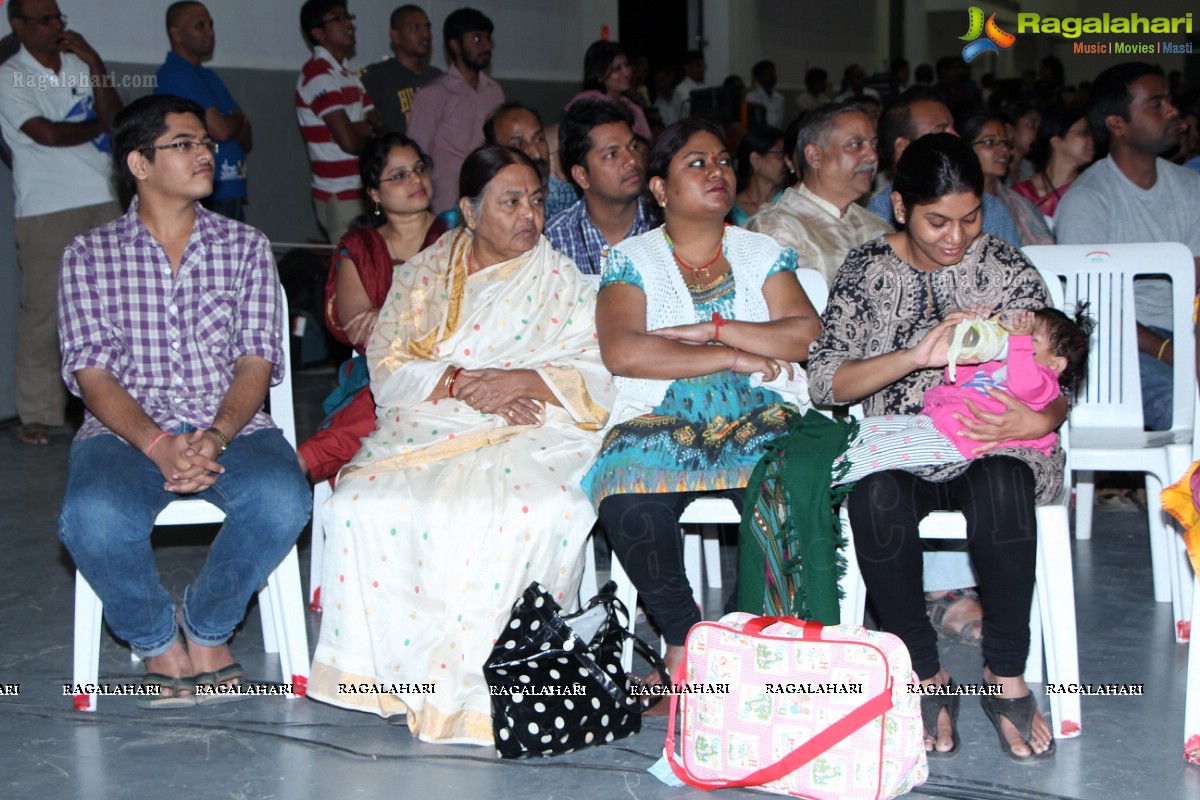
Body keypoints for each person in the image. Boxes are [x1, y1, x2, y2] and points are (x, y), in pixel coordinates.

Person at [306, 145, 614, 745]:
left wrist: (520, 381)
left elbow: (598, 368)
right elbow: (389, 363)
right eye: (510, 202)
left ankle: (501, 688)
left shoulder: (566, 283)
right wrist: (462, 384)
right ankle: (394, 681)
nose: (529, 214)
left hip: (536, 422)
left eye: (535, 201)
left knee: (529, 510)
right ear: (470, 212)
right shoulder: (421, 277)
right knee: (361, 505)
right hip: (432, 417)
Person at [808, 132, 1064, 763]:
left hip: (992, 446)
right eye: (937, 220)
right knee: (875, 499)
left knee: (1004, 486)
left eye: (970, 217)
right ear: (900, 207)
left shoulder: (1003, 267)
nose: (957, 237)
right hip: (901, 448)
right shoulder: (866, 271)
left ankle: (1004, 672)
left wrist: (1038, 421)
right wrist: (913, 357)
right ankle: (924, 672)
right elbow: (825, 382)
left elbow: (1060, 378)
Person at [56, 94, 310, 706]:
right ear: (140, 164)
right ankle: (157, 641)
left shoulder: (245, 247)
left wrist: (216, 435)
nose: (206, 154)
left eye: (207, 144)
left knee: (283, 499)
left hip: (233, 428)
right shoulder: (87, 256)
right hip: (125, 433)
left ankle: (207, 626)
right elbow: (91, 374)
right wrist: (158, 443)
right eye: (186, 144)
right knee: (91, 518)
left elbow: (257, 360)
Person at [586, 118, 821, 675]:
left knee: (788, 487)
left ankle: (754, 641)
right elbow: (625, 352)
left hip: (761, 412)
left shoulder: (760, 251)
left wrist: (713, 328)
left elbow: (806, 336)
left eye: (722, 160)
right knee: (626, 494)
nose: (717, 171)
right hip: (661, 417)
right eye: (696, 163)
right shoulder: (631, 260)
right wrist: (733, 355)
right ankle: (684, 639)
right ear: (661, 188)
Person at [0, 0, 122, 446]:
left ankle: (119, 407)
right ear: (19, 25)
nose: (55, 26)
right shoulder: (10, 75)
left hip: (103, 199)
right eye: (44, 19)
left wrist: (94, 61)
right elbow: (45, 133)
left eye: (58, 18)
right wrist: (97, 125)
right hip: (46, 207)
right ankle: (38, 414)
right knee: (42, 313)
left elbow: (116, 116)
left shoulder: (77, 64)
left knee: (115, 309)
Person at [1056, 62, 1200, 433]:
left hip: (1187, 331)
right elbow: (1094, 307)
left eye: (1169, 101)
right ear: (1117, 124)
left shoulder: (1190, 187)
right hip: (1121, 346)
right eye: (1156, 104)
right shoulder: (1087, 200)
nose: (1172, 112)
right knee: (1183, 407)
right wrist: (1172, 352)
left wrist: (1191, 344)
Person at [296, 133, 448, 484]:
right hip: (379, 370)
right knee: (384, 395)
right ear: (375, 194)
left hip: (449, 363)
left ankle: (305, 463)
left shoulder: (457, 237)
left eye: (419, 169)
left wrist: (390, 314)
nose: (415, 179)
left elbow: (464, 315)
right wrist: (417, 315)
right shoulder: (360, 248)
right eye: (399, 175)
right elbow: (360, 330)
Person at [834, 308, 1089, 485]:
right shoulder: (996, 367)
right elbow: (957, 378)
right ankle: (819, 451)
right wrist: (974, 335)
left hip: (959, 439)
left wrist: (1019, 343)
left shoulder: (1045, 383)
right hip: (936, 421)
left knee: (883, 451)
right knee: (864, 430)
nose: (1017, 339)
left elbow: (1025, 385)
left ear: (1055, 364)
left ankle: (823, 478)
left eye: (1031, 338)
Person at [748, 104, 893, 284]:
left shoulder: (878, 229)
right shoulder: (775, 230)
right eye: (856, 145)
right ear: (814, 156)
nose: (872, 155)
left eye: (874, 144)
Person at [867, 89, 1020, 247]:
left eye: (968, 220)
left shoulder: (989, 208)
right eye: (941, 132)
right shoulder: (876, 220)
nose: (956, 136)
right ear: (903, 147)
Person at [154, 2, 251, 221]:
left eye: (210, 25)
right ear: (176, 33)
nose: (210, 32)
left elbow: (247, 136)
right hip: (207, 193)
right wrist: (235, 118)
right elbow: (223, 131)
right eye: (200, 26)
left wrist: (233, 122)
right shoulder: (175, 74)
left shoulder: (209, 76)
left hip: (231, 186)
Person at [296, 0, 382, 244]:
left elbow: (378, 125)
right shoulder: (318, 74)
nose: (348, 24)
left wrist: (364, 128)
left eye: (348, 16)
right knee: (350, 272)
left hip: (357, 189)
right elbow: (350, 142)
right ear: (318, 33)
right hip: (339, 194)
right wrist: (361, 129)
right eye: (337, 19)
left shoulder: (347, 76)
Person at [408, 7, 504, 214]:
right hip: (445, 203)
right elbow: (416, 155)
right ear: (455, 45)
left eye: (488, 39)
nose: (486, 45)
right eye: (477, 39)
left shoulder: (494, 92)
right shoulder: (433, 94)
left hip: (488, 198)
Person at [544, 99, 649, 275]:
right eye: (612, 154)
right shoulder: (554, 241)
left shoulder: (665, 224)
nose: (631, 160)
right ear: (582, 176)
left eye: (633, 147)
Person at [961, 110, 1053, 246]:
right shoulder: (960, 207)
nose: (1003, 149)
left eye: (1005, 142)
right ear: (965, 149)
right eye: (990, 142)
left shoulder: (1019, 203)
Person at [483, 102, 575, 220]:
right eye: (518, 145)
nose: (536, 153)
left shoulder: (573, 199)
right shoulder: (482, 204)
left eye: (539, 139)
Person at [358, 4, 440, 136]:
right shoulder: (376, 77)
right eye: (415, 28)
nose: (425, 34)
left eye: (427, 28)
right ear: (395, 36)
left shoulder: (438, 77)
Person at [1011, 108, 1094, 221]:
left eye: (1091, 133)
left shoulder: (1090, 191)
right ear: (1056, 141)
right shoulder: (1021, 194)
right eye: (1083, 133)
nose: (1091, 139)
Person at [565, 40, 651, 141]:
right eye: (617, 69)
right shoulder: (586, 102)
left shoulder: (634, 109)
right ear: (599, 74)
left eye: (627, 65)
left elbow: (646, 145)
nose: (626, 73)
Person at [729, 125, 787, 225]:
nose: (786, 161)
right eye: (780, 154)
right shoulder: (730, 208)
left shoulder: (788, 201)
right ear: (755, 159)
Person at [745, 59, 784, 129]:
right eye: (768, 73)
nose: (773, 76)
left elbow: (779, 125)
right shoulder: (751, 98)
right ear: (759, 77)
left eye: (773, 73)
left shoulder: (779, 98)